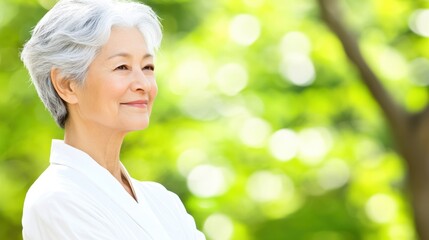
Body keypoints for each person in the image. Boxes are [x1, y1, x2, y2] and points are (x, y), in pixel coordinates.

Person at [20, 0, 205, 239]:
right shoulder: (57, 199)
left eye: (147, 67)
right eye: (122, 67)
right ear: (66, 84)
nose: (143, 84)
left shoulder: (163, 202)